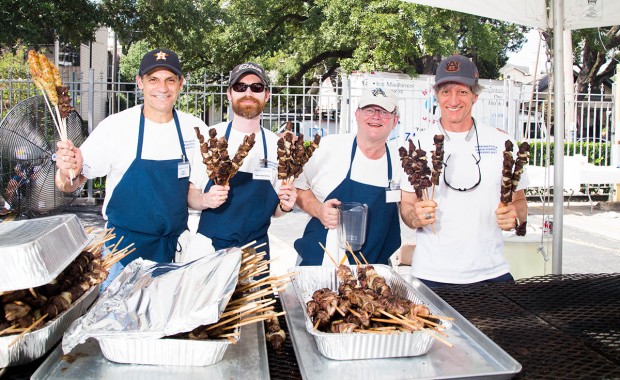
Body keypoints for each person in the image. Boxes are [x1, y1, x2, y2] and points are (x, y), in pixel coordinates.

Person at [55, 48, 207, 267]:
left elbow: (195, 191)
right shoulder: (115, 127)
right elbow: (68, 184)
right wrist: (65, 170)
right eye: (153, 79)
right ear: (140, 82)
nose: (162, 88)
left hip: (173, 252)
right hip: (121, 252)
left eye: (170, 80)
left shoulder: (194, 129)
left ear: (180, 83)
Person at [399, 54, 528, 289]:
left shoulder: (503, 143)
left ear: (475, 96)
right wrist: (414, 217)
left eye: (462, 91)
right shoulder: (417, 144)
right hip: (431, 274)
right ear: (436, 95)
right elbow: (406, 205)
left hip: (491, 272)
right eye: (446, 91)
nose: (453, 99)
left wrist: (515, 217)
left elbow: (519, 201)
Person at [185, 62, 296, 268]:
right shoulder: (211, 139)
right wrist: (206, 199)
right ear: (229, 94)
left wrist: (286, 206)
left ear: (266, 95)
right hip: (211, 253)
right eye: (240, 86)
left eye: (256, 87)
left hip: (256, 257)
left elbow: (276, 211)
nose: (248, 92)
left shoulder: (277, 147)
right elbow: (192, 197)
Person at [293, 87, 402, 266]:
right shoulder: (328, 148)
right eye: (369, 110)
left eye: (384, 111)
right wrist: (319, 210)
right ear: (357, 114)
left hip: (374, 273)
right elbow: (297, 187)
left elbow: (409, 209)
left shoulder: (399, 162)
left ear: (395, 120)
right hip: (320, 264)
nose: (375, 116)